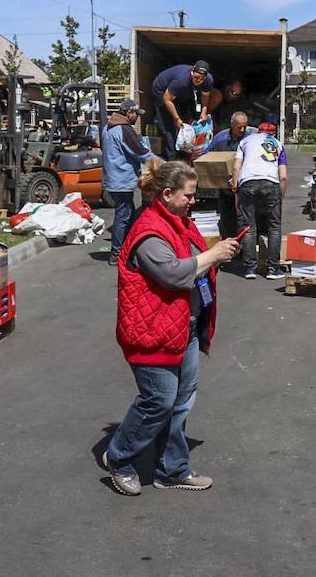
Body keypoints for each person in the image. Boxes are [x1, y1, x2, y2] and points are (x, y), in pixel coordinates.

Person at [103, 161, 240, 496]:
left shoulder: (179, 222)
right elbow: (174, 274)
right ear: (167, 194)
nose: (194, 201)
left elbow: (194, 261)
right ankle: (119, 457)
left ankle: (172, 468)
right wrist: (213, 255)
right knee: (158, 401)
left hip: (182, 327)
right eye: (189, 195)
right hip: (152, 333)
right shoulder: (149, 231)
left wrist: (213, 256)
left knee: (180, 402)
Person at [102, 98, 157, 265]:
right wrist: (162, 165)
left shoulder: (107, 127)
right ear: (129, 113)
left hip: (113, 178)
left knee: (128, 213)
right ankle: (117, 254)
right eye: (136, 114)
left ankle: (126, 249)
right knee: (123, 215)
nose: (137, 118)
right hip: (121, 179)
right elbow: (139, 152)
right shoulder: (124, 129)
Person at [231, 121, 287, 280]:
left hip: (247, 182)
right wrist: (280, 196)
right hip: (271, 182)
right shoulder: (278, 145)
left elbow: (236, 167)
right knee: (274, 227)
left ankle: (250, 269)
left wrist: (236, 189)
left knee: (249, 226)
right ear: (273, 134)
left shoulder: (245, 141)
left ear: (257, 132)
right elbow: (283, 176)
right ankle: (272, 269)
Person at [151, 61, 215, 159]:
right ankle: (171, 158)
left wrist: (203, 111)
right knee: (169, 126)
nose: (198, 81)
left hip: (179, 92)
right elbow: (167, 99)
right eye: (196, 77)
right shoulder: (182, 81)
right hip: (162, 91)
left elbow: (205, 95)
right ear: (192, 72)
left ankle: (185, 151)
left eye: (202, 79)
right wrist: (176, 119)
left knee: (188, 115)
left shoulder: (208, 80)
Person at [206, 111, 255, 238]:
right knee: (226, 217)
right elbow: (207, 159)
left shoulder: (252, 137)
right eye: (239, 127)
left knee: (242, 217)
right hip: (225, 187)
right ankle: (229, 246)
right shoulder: (219, 139)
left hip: (245, 186)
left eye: (245, 126)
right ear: (232, 125)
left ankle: (242, 247)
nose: (243, 129)